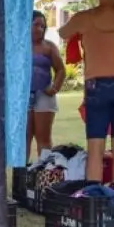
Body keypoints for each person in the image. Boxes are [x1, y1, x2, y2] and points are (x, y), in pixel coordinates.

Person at [59, 0, 114, 183]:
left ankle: (95, 194)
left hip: (96, 86)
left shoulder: (84, 18)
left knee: (95, 147)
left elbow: (62, 32)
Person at [27, 10, 66, 159]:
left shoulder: (49, 47)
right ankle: (21, 173)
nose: (39, 29)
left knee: (43, 138)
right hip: (23, 97)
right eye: (36, 24)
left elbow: (60, 70)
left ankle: (45, 171)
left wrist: (54, 88)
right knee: (24, 138)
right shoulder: (19, 45)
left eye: (42, 26)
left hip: (44, 95)